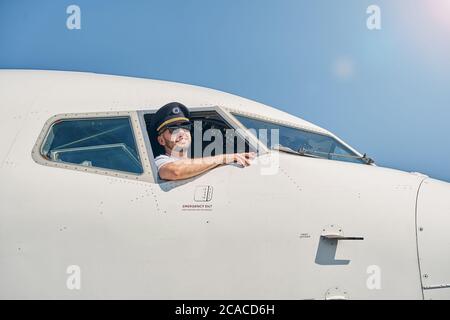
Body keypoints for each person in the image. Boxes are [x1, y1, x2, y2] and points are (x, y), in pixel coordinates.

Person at [150, 102, 255, 181]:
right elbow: (175, 171)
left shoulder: (199, 164)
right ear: (161, 140)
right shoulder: (160, 161)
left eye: (185, 126)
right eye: (173, 129)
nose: (181, 132)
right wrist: (224, 157)